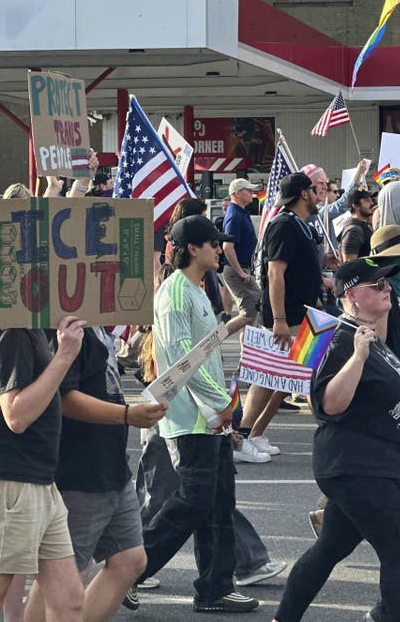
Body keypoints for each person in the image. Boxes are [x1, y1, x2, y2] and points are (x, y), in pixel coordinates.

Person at [274, 258, 400, 622]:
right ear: (351, 295)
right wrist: (358, 357)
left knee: (330, 548)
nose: (388, 289)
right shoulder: (341, 338)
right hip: (358, 464)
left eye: (387, 283)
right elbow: (329, 404)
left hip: (369, 463)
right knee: (396, 552)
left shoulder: (368, 336)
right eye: (378, 285)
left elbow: (383, 391)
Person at [136, 215, 258, 614]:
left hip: (209, 416)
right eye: (213, 244)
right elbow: (181, 358)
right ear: (192, 249)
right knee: (195, 500)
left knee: (219, 502)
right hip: (191, 417)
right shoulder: (175, 292)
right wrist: (221, 403)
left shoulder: (197, 288)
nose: (220, 250)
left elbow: (204, 348)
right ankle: (130, 569)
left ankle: (215, 588)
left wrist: (233, 326)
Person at [24, 322, 169, 622]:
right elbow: (62, 398)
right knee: (63, 575)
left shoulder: (98, 327)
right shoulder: (68, 327)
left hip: (110, 464)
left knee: (130, 560)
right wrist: (126, 415)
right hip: (79, 469)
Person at [0, 313, 88, 622]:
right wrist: (64, 355)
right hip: (7, 482)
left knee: (69, 599)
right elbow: (15, 415)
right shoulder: (9, 331)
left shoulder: (27, 326)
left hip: (35, 479)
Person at [240, 173, 322, 456]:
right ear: (304, 194)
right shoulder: (284, 225)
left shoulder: (300, 225)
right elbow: (275, 273)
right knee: (270, 377)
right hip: (287, 318)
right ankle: (241, 437)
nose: (318, 193)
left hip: (304, 314)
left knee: (287, 380)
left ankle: (254, 433)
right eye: (315, 189)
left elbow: (300, 270)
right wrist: (279, 320)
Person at [221, 178, 262, 320]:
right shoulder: (235, 215)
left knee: (253, 308)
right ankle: (222, 332)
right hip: (237, 270)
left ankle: (245, 335)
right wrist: (240, 272)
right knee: (248, 311)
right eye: (248, 190)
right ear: (237, 193)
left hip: (242, 268)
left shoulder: (241, 212)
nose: (252, 193)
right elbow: (227, 246)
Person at [338, 187, 375, 262]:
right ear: (355, 206)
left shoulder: (363, 226)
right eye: (367, 200)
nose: (372, 203)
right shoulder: (353, 231)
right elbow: (349, 264)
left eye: (371, 199)